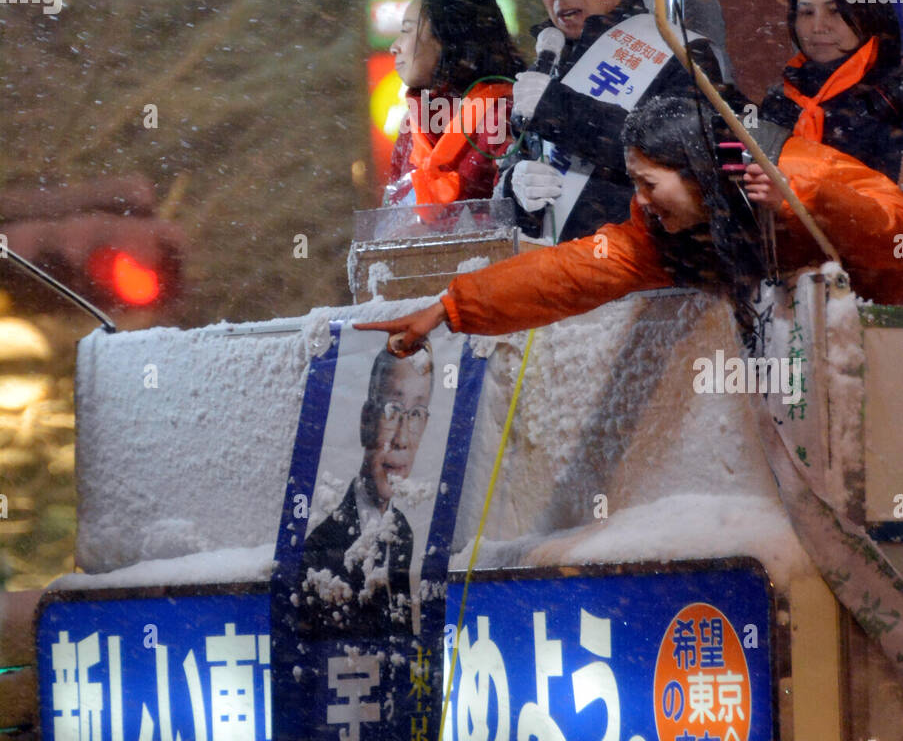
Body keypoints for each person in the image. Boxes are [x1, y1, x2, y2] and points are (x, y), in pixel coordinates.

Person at [357, 95, 903, 352]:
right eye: (633, 182)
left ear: (694, 171)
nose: (640, 199)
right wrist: (450, 307)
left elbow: (891, 232)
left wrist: (800, 201)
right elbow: (566, 274)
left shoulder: (792, 171)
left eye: (649, 183)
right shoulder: (656, 234)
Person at [498, 0, 730, 242]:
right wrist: (513, 185)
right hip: (556, 273)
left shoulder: (678, 52)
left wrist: (559, 111)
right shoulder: (550, 56)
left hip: (641, 270)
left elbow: (682, 158)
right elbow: (514, 158)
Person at [296, 344, 433, 638]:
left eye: (417, 414)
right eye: (393, 410)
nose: (402, 438)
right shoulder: (320, 546)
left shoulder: (403, 532)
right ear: (366, 421)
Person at [760, 0, 903, 184]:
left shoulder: (892, 97)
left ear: (868, 13)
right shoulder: (781, 101)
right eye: (807, 12)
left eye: (835, 11)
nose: (818, 27)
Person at [384, 0, 524, 207]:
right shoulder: (412, 126)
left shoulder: (507, 116)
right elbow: (390, 222)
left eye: (407, 31)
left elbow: (510, 227)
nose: (394, 47)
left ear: (447, 38)